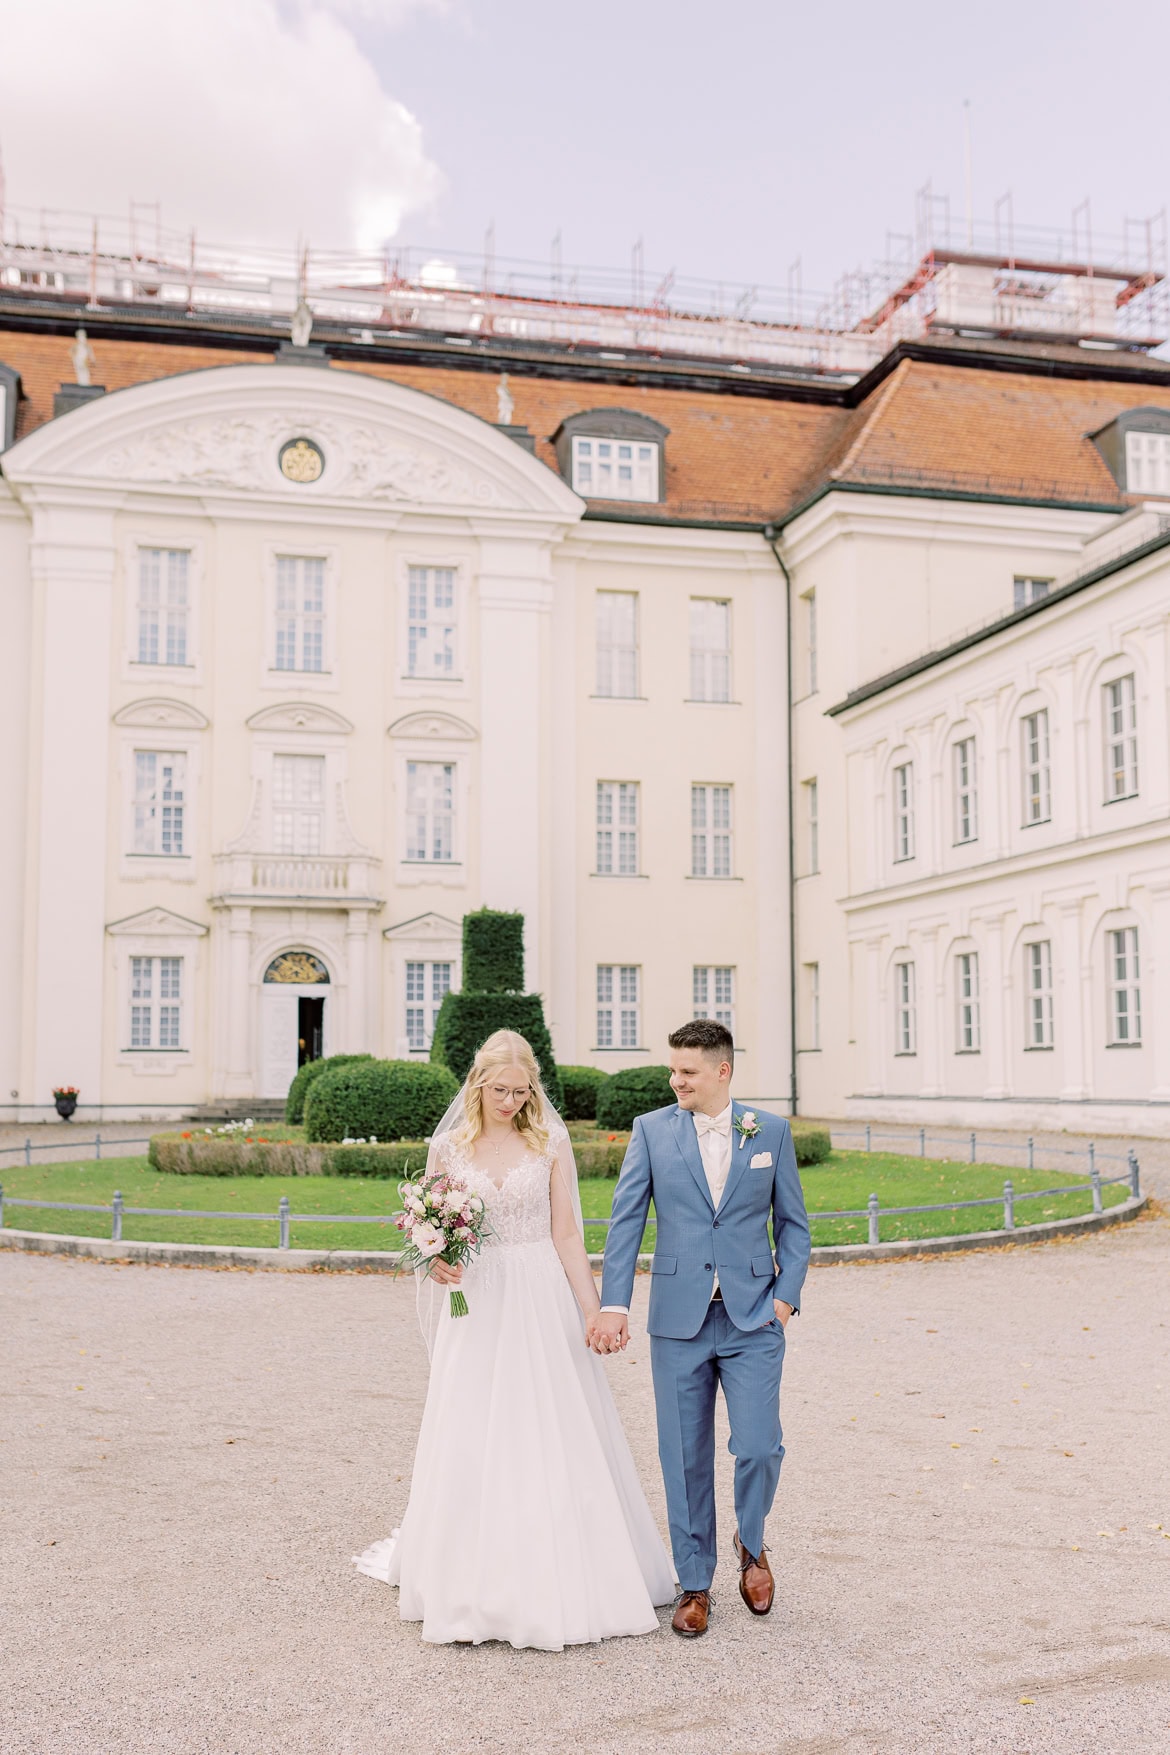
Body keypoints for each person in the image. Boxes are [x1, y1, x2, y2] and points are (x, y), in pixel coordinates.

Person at [354, 1029, 674, 1649]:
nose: (509, 1101)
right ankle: (470, 1574)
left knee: (551, 1421)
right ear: (478, 1085)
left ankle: (569, 1563)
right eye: (499, 1090)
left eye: (520, 1091)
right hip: (477, 1299)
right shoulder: (446, 1148)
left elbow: (567, 1236)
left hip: (539, 1290)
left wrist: (595, 1310)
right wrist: (436, 1260)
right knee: (474, 1423)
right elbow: (433, 1231)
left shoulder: (550, 1141)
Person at [591, 1019, 811, 1638]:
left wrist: (786, 1299)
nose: (674, 1080)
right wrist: (616, 1304)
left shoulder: (769, 1131)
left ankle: (753, 1540)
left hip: (754, 1316)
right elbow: (625, 1221)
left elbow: (794, 1224)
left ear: (722, 1071)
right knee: (683, 1455)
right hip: (678, 1318)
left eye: (687, 1070)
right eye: (672, 1069)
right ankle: (694, 1582)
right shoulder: (652, 1131)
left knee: (760, 1445)